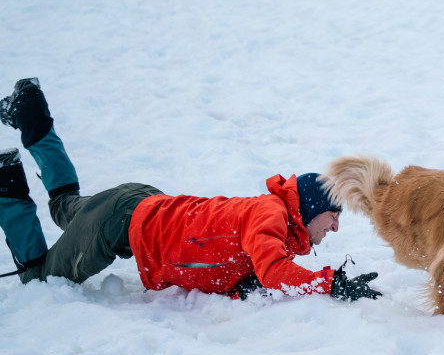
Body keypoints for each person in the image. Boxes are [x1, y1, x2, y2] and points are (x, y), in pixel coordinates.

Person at [0, 78, 381, 301]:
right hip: (121, 224)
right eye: (333, 216)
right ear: (312, 208)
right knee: (40, 281)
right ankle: (6, 181)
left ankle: (30, 110)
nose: (334, 228)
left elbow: (245, 265)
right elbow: (274, 272)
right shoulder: (271, 214)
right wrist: (330, 284)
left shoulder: (273, 217)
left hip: (141, 202)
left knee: (63, 206)